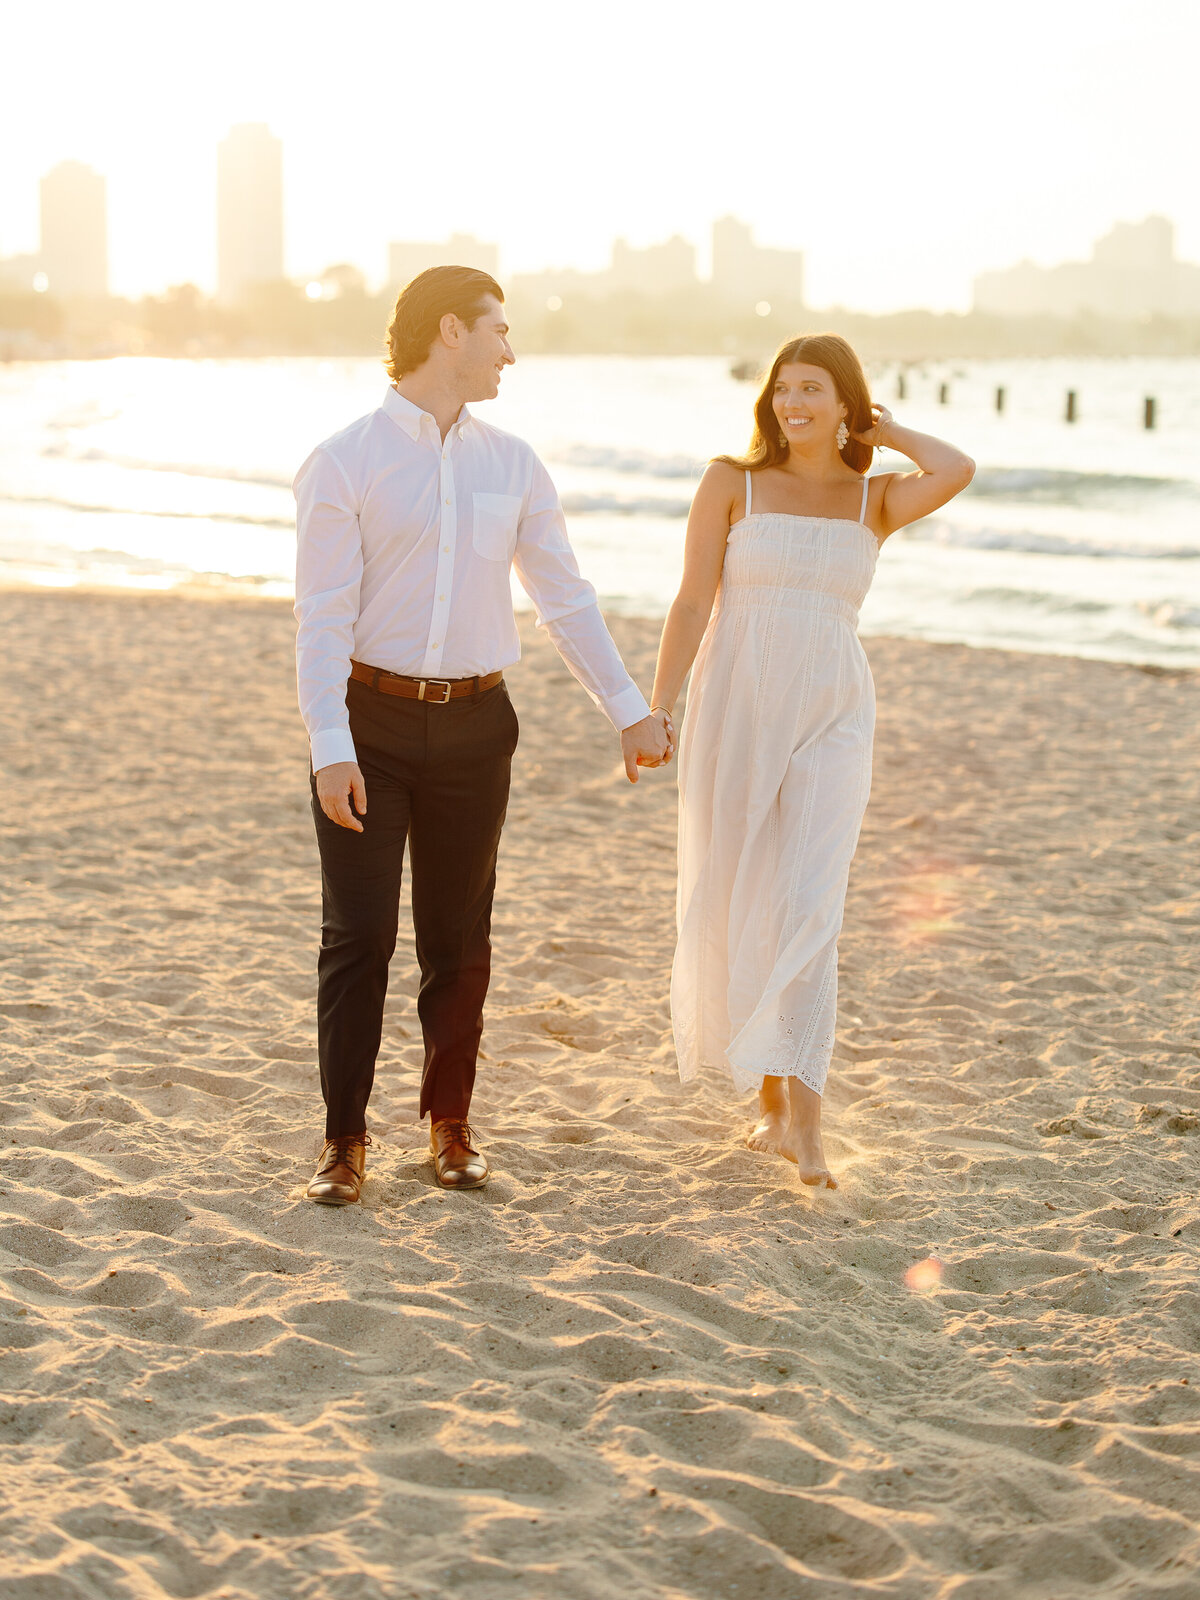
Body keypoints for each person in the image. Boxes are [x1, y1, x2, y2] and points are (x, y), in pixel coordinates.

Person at [293, 265, 672, 1203]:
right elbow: (322, 620)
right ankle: (344, 1141)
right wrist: (329, 746)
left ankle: (448, 1125)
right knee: (360, 937)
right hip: (369, 728)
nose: (513, 348)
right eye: (500, 330)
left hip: (478, 726)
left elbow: (564, 599)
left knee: (459, 940)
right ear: (449, 332)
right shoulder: (343, 461)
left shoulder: (516, 464)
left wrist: (628, 709)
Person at [650, 334, 974, 1187]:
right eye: (784, 388)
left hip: (834, 711)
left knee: (811, 903)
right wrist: (658, 707)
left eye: (814, 389)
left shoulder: (877, 498)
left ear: (846, 405)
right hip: (738, 707)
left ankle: (807, 1124)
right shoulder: (732, 481)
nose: (793, 402)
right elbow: (691, 600)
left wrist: (890, 432)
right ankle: (766, 1096)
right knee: (746, 887)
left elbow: (959, 467)